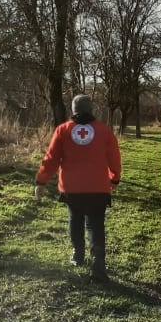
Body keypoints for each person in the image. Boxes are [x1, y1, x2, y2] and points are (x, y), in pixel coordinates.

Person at [35, 94, 121, 280]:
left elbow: (51, 159)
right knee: (96, 225)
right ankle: (99, 263)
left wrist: (41, 181)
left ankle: (78, 255)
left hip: (72, 189)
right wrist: (114, 178)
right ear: (91, 109)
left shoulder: (63, 130)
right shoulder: (104, 131)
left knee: (75, 220)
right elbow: (114, 157)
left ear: (73, 110)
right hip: (98, 188)